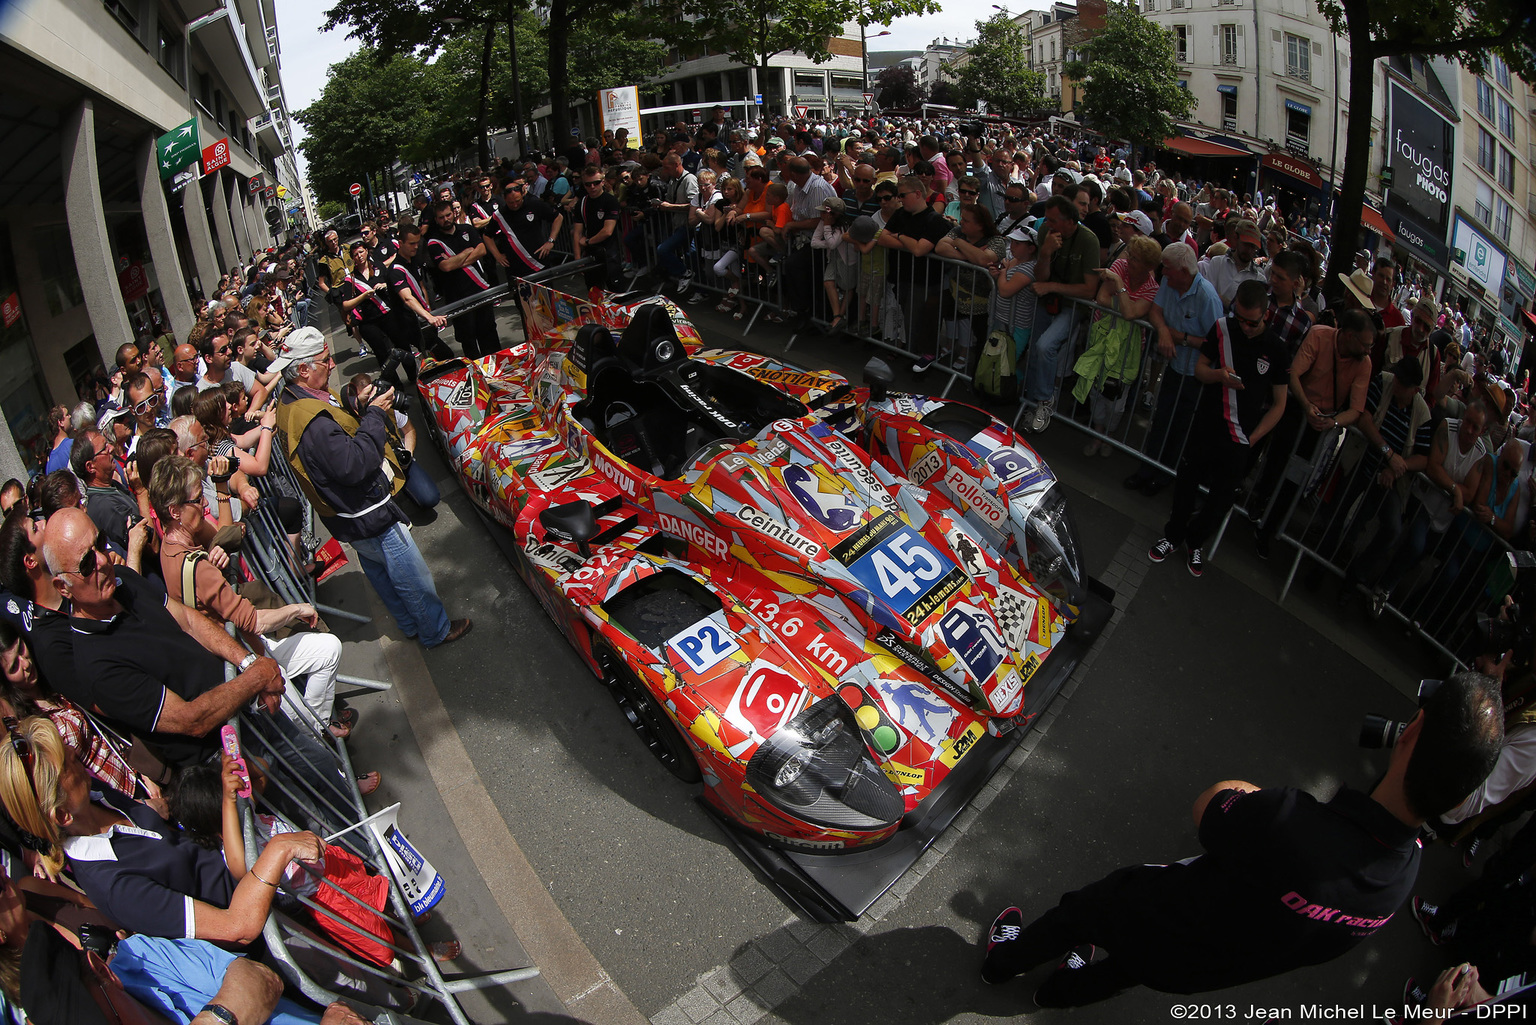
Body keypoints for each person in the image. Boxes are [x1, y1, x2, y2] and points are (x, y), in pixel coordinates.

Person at [980, 670, 1504, 1007]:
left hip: (1152, 911)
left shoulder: (1290, 822)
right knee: (1122, 972)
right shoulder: (1402, 881)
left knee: (1080, 913)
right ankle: (1058, 993)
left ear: (1410, 733)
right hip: (1197, 972)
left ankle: (1002, 963)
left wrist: (1254, 794)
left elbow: (1209, 805)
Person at [40, 507, 286, 770]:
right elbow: (191, 720)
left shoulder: (122, 579)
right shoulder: (96, 666)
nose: (102, 560)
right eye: (87, 564)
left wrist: (249, 663)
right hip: (227, 756)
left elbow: (189, 621)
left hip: (250, 701)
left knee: (325, 772)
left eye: (100, 543)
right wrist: (256, 677)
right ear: (63, 587)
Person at [271, 329, 470, 649]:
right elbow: (354, 466)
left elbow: (335, 446)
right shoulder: (313, 420)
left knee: (379, 571)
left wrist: (358, 408)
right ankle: (434, 630)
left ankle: (409, 625)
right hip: (366, 512)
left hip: (345, 515)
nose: (332, 364)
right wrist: (376, 413)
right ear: (304, 369)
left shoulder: (292, 401)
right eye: (325, 360)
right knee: (411, 576)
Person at [1147, 280, 1290, 577]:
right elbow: (1200, 369)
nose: (1245, 327)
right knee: (1186, 483)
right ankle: (1172, 536)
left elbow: (1279, 403)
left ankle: (1195, 540)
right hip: (1207, 423)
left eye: (1252, 322)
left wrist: (1253, 438)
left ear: (1266, 315)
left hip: (1241, 437)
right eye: (1240, 318)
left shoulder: (1276, 349)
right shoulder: (1223, 328)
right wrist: (1218, 377)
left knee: (1221, 499)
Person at [1123, 244, 1225, 496]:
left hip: (1196, 376)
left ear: (1183, 270)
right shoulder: (1170, 285)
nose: (1163, 272)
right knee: (1161, 420)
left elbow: (1217, 343)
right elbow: (1156, 312)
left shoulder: (1207, 297)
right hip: (1175, 368)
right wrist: (1166, 332)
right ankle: (1146, 470)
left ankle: (1164, 476)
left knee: (1180, 427)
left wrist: (1183, 338)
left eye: (1167, 267)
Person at [1022, 195, 1102, 432]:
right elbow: (1041, 277)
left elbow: (1089, 290)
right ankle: (1034, 400)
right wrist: (1045, 253)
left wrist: (1051, 287)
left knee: (1046, 346)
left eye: (1053, 220)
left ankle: (1046, 400)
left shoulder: (1089, 241)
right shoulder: (1046, 232)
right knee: (1035, 350)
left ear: (1070, 221)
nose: (1048, 223)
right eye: (1047, 219)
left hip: (1072, 305)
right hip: (1048, 301)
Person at [424, 199, 500, 360]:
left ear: (454, 213)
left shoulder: (467, 229)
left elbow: (481, 250)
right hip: (457, 298)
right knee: (469, 340)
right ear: (436, 220)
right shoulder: (433, 242)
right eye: (441, 217)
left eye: (448, 215)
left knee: (489, 334)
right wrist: (467, 252)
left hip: (480, 290)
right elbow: (446, 266)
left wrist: (455, 261)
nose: (445, 219)